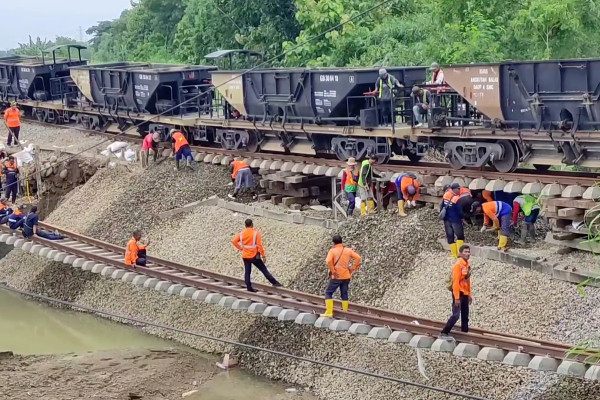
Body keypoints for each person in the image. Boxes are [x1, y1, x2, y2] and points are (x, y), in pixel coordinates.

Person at [232, 219, 282, 292]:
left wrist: (241, 248)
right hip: (254, 256)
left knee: (247, 272)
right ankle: (275, 283)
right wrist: (263, 255)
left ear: (245, 225)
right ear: (252, 224)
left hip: (245, 256)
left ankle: (249, 288)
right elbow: (259, 245)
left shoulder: (241, 233)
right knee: (263, 270)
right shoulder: (256, 233)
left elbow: (234, 241)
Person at [320, 234, 362, 318]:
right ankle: (345, 311)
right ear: (341, 241)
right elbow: (358, 258)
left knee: (328, 292)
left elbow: (328, 261)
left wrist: (333, 271)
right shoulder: (347, 250)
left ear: (333, 243)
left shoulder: (332, 251)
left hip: (337, 276)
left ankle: (328, 312)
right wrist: (353, 268)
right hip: (346, 275)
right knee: (344, 293)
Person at [440, 244, 472, 339]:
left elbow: (468, 281)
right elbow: (455, 283)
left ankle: (464, 333)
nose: (468, 254)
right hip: (459, 294)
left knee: (465, 315)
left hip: (465, 294)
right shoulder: (458, 266)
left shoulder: (466, 265)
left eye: (468, 252)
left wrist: (469, 294)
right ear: (461, 254)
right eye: (465, 252)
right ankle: (444, 332)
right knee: (456, 315)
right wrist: (457, 298)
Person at [440, 183, 464, 258]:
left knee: (450, 236)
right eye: (458, 189)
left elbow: (441, 206)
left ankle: (454, 255)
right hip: (455, 220)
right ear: (455, 189)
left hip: (446, 220)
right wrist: (462, 218)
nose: (459, 190)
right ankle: (460, 253)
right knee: (460, 236)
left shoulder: (446, 195)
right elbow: (459, 211)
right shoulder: (456, 198)